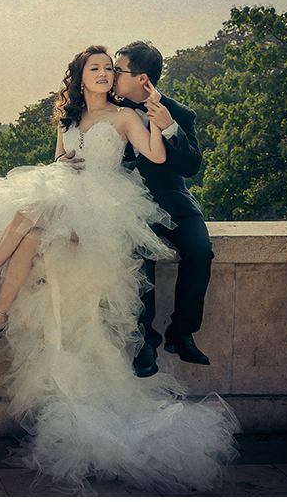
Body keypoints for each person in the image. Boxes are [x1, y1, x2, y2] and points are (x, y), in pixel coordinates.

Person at [0, 46, 238, 493]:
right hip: (74, 200)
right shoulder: (68, 120)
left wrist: (161, 124)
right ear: (80, 78)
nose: (106, 75)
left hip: (110, 208)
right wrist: (62, 165)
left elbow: (160, 159)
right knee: (36, 229)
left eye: (112, 70)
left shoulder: (128, 115)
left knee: (36, 207)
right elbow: (58, 163)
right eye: (97, 69)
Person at [109, 41, 213, 378]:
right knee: (140, 254)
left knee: (200, 251)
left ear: (141, 79)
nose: (111, 75)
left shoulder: (179, 113)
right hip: (126, 204)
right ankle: (145, 343)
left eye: (118, 70)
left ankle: (181, 333)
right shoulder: (108, 108)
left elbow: (191, 166)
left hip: (172, 200)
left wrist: (169, 127)